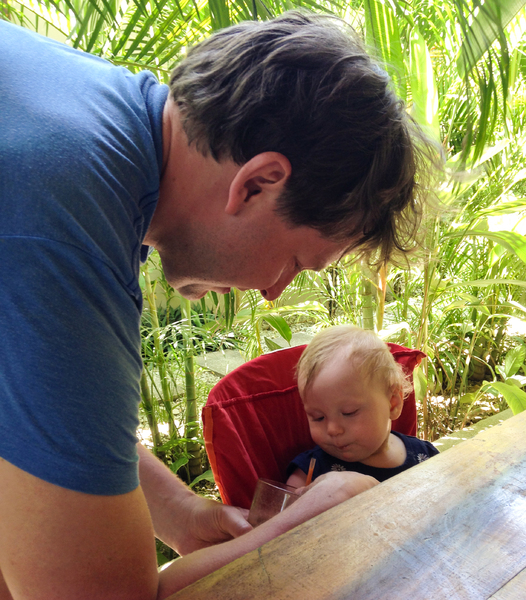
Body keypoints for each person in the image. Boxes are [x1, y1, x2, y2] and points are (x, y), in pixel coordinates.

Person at [0, 9, 437, 600]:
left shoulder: (96, 125)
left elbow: (38, 420)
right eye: (295, 262)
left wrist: (181, 512)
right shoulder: (63, 218)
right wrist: (300, 522)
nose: (275, 291)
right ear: (256, 183)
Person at [286, 325, 439, 489]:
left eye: (348, 413)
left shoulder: (425, 456)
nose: (332, 430)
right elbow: (287, 505)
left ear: (393, 403)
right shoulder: (308, 475)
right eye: (318, 417)